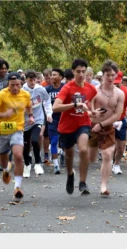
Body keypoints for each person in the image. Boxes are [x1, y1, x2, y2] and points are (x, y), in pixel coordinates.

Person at [53, 58, 97, 195]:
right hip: (67, 126)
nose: (81, 74)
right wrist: (74, 105)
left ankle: (83, 182)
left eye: (83, 71)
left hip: (83, 123)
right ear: (73, 72)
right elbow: (55, 107)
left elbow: (91, 107)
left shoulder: (91, 89)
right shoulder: (67, 88)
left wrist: (92, 112)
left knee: (83, 150)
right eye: (78, 71)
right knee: (69, 155)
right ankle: (70, 174)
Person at [0, 72, 35, 201]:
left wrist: (30, 116)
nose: (15, 88)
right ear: (7, 84)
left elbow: (29, 106)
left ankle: (17, 188)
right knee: (3, 160)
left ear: (21, 84)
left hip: (17, 129)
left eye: (18, 85)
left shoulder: (25, 94)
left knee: (18, 155)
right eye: (12, 85)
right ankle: (6, 169)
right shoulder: (1, 95)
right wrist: (4, 115)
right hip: (2, 130)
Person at [87, 60, 124, 196]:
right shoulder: (94, 91)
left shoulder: (120, 94)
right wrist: (92, 113)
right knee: (91, 158)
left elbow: (117, 114)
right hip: (91, 126)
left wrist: (101, 125)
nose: (110, 78)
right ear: (103, 75)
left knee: (108, 155)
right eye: (108, 75)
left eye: (113, 75)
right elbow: (87, 108)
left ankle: (103, 185)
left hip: (107, 127)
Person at [22, 70, 52, 178]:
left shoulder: (40, 89)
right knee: (25, 145)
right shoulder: (22, 91)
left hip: (38, 119)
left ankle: (38, 163)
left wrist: (49, 114)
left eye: (34, 80)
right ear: (26, 80)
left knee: (36, 139)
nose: (33, 82)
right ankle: (26, 164)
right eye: (30, 80)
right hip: (25, 121)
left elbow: (47, 101)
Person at [45, 68, 65, 174]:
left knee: (64, 141)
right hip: (52, 118)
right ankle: (56, 165)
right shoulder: (47, 89)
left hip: (64, 118)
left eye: (54, 75)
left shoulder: (65, 88)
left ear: (61, 77)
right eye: (51, 75)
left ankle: (62, 152)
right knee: (54, 140)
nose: (52, 77)